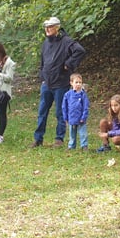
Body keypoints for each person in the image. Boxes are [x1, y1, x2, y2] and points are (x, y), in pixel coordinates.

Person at [32, 17, 86, 147]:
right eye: (46, 27)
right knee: (42, 112)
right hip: (47, 83)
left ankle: (59, 139)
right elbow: (43, 62)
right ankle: (38, 139)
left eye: (50, 27)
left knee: (60, 112)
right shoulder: (45, 43)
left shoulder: (66, 41)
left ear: (57, 28)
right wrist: (42, 76)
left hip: (61, 83)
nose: (47, 29)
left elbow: (80, 51)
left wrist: (68, 64)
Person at [62, 73, 90, 150]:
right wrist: (65, 117)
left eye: (80, 82)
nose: (78, 84)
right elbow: (64, 107)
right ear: (71, 83)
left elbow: (86, 107)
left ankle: (84, 145)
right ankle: (71, 146)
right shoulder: (68, 95)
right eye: (76, 82)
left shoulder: (83, 95)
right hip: (71, 117)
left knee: (83, 133)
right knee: (72, 133)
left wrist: (83, 117)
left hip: (81, 118)